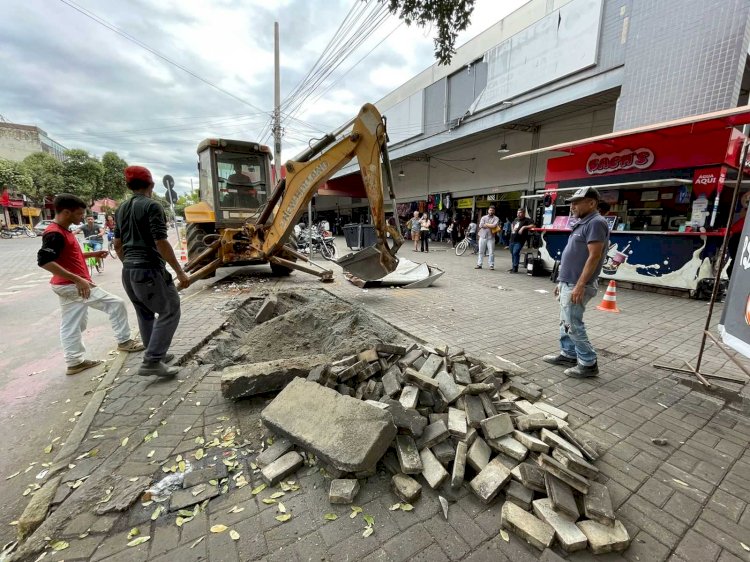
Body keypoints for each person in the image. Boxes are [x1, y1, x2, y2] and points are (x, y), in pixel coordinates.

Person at [37, 194, 144, 376]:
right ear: (65, 212)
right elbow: (44, 261)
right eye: (79, 214)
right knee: (115, 304)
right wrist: (78, 279)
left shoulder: (64, 230)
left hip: (67, 284)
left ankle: (74, 362)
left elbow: (67, 256)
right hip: (73, 285)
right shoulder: (55, 233)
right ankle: (125, 341)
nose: (82, 218)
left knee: (73, 324)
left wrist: (91, 255)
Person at [114, 166, 190, 378]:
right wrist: (180, 272)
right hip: (148, 270)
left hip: (129, 271)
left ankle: (155, 353)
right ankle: (153, 360)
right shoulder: (152, 206)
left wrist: (129, 266)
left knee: (145, 313)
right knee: (170, 309)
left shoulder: (120, 209)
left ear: (128, 185)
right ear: (152, 185)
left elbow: (117, 244)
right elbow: (161, 242)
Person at [542, 187, 609, 378]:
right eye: (571, 202)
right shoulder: (583, 222)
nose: (572, 206)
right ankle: (568, 354)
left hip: (579, 284)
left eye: (577, 202)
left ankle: (588, 363)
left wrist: (580, 284)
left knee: (573, 323)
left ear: (592, 203)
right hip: (569, 282)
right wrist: (562, 281)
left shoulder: (596, 222)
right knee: (566, 320)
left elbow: (594, 256)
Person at [508, 208, 534, 273]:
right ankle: (514, 267)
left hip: (520, 240)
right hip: (512, 239)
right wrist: (512, 229)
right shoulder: (516, 219)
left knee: (515, 252)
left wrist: (523, 227)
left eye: (520, 213)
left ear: (523, 213)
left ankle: (515, 268)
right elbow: (512, 224)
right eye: (517, 213)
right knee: (513, 253)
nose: (518, 214)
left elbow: (533, 225)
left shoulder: (527, 220)